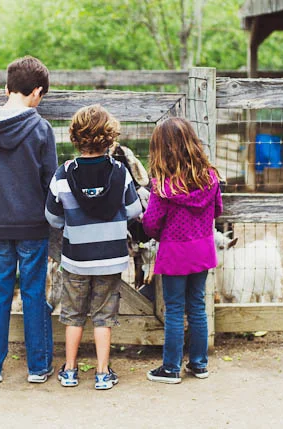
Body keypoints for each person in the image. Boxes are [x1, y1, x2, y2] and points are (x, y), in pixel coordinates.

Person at [0, 56, 57, 384]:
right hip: (33, 225)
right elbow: (51, 181)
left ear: (7, 89)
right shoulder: (41, 129)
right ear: (37, 92)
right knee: (33, 293)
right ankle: (39, 366)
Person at [45, 105, 142, 390]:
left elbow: (52, 217)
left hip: (76, 259)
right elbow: (134, 209)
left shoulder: (63, 174)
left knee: (73, 315)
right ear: (109, 137)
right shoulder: (120, 172)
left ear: (75, 137)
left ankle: (69, 370)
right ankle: (101, 373)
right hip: (110, 258)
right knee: (103, 316)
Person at [142, 117, 223, 384]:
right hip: (202, 250)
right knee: (197, 305)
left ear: (161, 149)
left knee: (175, 309)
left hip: (174, 254)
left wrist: (158, 230)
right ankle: (199, 364)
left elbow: (151, 224)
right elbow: (218, 210)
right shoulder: (210, 178)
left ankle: (171, 368)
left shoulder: (163, 187)